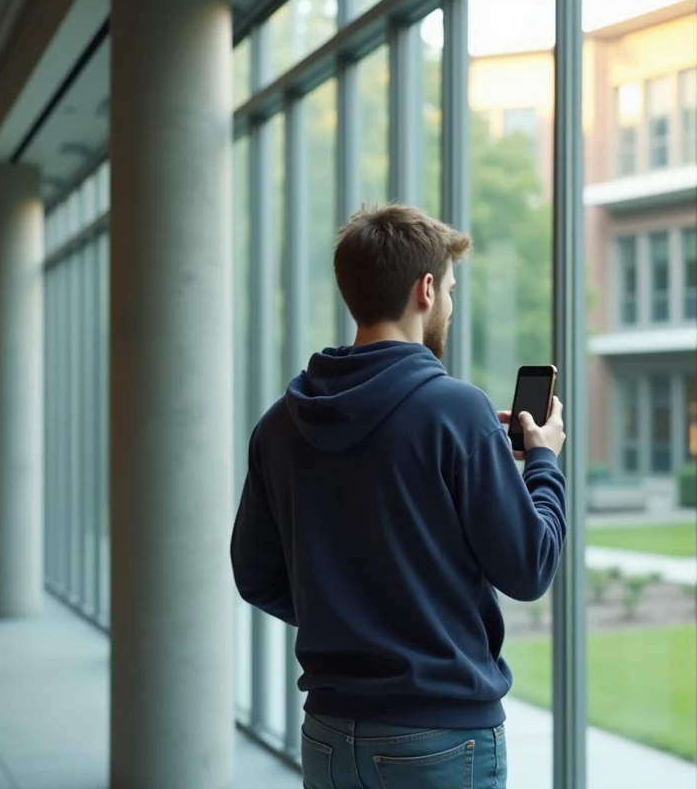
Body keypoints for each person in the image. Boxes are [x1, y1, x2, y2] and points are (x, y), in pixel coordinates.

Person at [230, 203, 568, 789]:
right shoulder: (457, 412)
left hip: (329, 736)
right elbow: (531, 568)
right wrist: (543, 460)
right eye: (452, 289)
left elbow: (255, 577)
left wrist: (349, 617)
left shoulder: (278, 425)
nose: (451, 306)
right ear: (427, 288)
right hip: (440, 737)